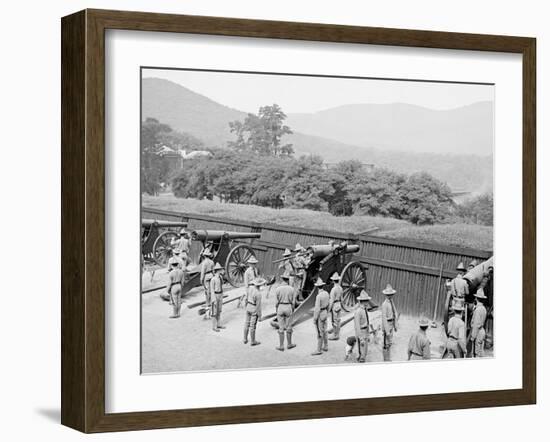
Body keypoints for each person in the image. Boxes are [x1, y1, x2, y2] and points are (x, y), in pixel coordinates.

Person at [274, 274, 297, 351]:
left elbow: (276, 303)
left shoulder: (278, 289)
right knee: (289, 327)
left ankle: (281, 346)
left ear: (282, 279)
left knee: (281, 327)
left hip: (280, 306)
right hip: (288, 306)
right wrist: (292, 310)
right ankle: (289, 344)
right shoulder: (292, 289)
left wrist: (277, 310)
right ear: (288, 280)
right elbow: (293, 302)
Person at [311, 278, 330, 356]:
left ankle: (319, 349)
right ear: (323, 286)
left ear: (317, 287)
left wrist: (315, 318)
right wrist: (327, 312)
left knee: (319, 332)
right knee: (325, 330)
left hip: (320, 313)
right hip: (325, 312)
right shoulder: (326, 293)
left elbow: (317, 309)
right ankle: (325, 346)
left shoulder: (318, 296)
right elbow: (329, 304)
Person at [243, 278, 264, 346]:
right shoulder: (258, 294)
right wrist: (260, 316)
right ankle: (253, 341)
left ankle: (245, 339)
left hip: (248, 306)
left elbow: (246, 298)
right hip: (254, 308)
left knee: (246, 323)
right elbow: (258, 306)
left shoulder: (250, 288)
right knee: (252, 326)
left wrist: (246, 305)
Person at [381, 284, 398, 361]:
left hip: (391, 323)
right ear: (385, 295)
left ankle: (388, 358)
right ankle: (386, 359)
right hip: (387, 324)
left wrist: (395, 324)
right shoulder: (384, 304)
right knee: (386, 343)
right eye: (388, 295)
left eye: (391, 294)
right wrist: (387, 331)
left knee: (390, 342)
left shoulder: (391, 302)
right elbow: (384, 318)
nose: (390, 296)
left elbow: (395, 313)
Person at [354, 290, 372, 363]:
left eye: (367, 300)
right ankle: (361, 359)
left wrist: (368, 334)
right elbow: (357, 326)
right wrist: (360, 338)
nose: (368, 302)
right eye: (366, 300)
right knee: (362, 349)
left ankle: (362, 357)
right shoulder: (358, 311)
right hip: (361, 331)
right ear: (362, 301)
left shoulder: (364, 310)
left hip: (365, 331)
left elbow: (367, 322)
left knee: (365, 350)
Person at [470, 288, 488, 357]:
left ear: (476, 299)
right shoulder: (483, 309)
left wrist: (473, 336)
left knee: (477, 353)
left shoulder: (478, 310)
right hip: (482, 331)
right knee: (481, 352)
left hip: (478, 332)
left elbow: (476, 325)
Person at [209, 263, 226, 332]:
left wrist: (222, 295)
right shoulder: (213, 279)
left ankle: (219, 324)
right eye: (220, 269)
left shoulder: (220, 278)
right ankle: (214, 326)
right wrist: (213, 299)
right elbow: (212, 290)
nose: (221, 270)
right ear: (217, 270)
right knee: (214, 311)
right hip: (215, 295)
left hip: (220, 294)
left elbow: (222, 286)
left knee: (219, 310)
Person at [199, 249, 215, 320]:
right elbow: (214, 271)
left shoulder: (204, 263)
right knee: (211, 292)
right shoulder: (212, 262)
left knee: (207, 293)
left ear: (204, 256)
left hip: (206, 276)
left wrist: (201, 280)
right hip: (211, 275)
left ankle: (207, 312)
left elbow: (202, 272)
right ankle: (212, 310)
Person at [328, 272, 343, 340]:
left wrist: (329, 309)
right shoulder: (340, 288)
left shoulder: (333, 289)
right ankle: (337, 333)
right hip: (339, 304)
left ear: (333, 280)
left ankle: (335, 335)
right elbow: (342, 299)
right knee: (338, 320)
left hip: (334, 305)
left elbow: (331, 300)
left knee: (334, 321)